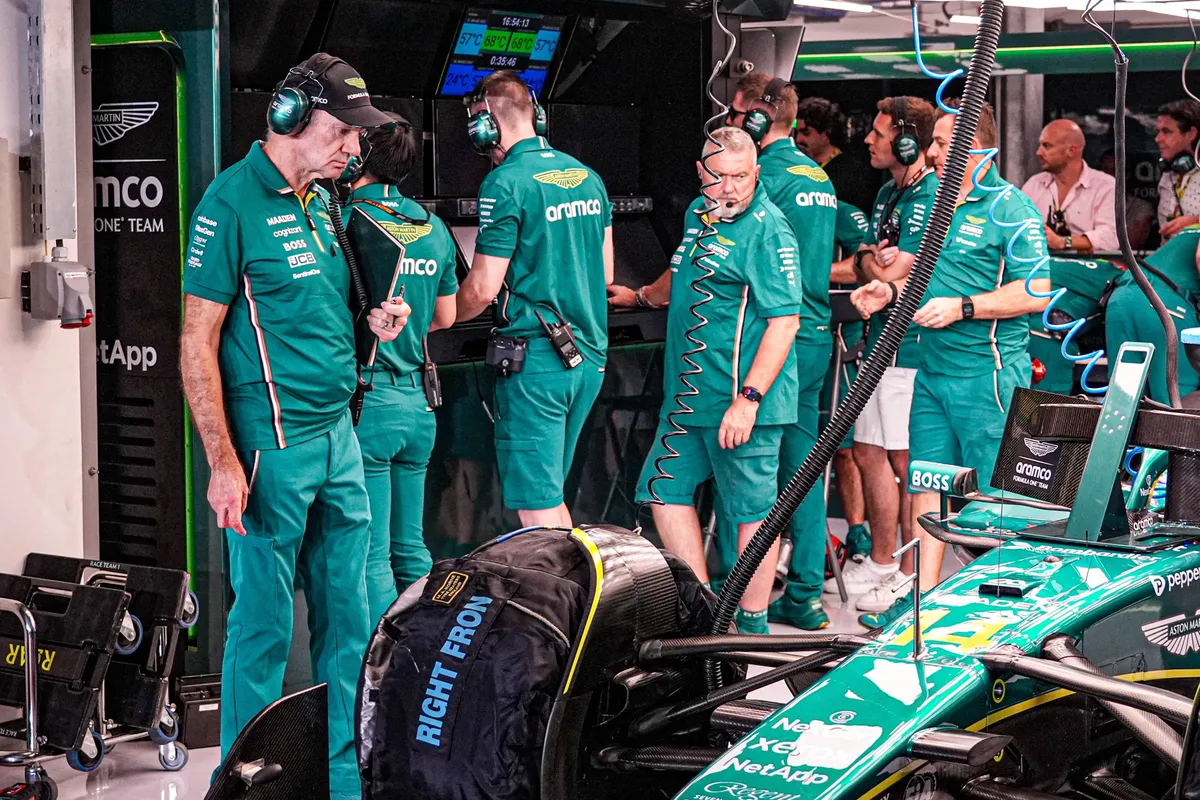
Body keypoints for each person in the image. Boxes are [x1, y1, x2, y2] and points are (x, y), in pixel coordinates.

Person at [179, 54, 406, 799]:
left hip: (339, 436)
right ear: (288, 119)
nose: (353, 148)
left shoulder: (325, 200)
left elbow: (319, 313)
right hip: (268, 449)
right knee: (264, 630)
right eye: (343, 132)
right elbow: (196, 341)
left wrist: (374, 320)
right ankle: (245, 783)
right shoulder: (230, 203)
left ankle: (347, 778)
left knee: (352, 623)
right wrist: (220, 461)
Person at [851, 99, 1050, 628]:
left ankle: (1009, 607)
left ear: (975, 148)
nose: (932, 152)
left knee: (996, 493)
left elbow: (1038, 290)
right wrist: (885, 289)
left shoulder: (1010, 208)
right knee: (924, 483)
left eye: (942, 143)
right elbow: (919, 270)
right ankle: (921, 601)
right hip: (931, 373)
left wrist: (966, 308)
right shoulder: (935, 204)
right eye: (936, 143)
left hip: (986, 376)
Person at [633, 126, 802, 634]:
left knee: (750, 515)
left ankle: (751, 626)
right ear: (701, 174)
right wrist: (644, 296)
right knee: (661, 492)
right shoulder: (697, 214)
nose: (729, 189)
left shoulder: (770, 231)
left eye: (741, 177)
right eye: (718, 177)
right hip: (687, 398)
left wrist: (749, 400)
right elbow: (682, 269)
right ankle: (706, 617)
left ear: (756, 173)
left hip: (742, 402)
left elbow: (785, 322)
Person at [455, 71, 613, 528]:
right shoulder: (589, 178)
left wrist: (440, 316)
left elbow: (483, 288)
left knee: (537, 507)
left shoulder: (505, 184)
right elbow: (603, 274)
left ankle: (569, 600)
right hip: (588, 357)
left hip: (540, 361)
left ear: (486, 124)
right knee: (550, 495)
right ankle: (579, 597)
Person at [726, 73, 839, 629]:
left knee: (752, 474)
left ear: (753, 119)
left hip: (777, 341)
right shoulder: (818, 175)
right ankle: (807, 595)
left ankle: (737, 598)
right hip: (817, 336)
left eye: (735, 111)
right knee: (805, 471)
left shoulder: (760, 179)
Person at [345, 113, 459, 622]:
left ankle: (377, 667)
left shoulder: (346, 219)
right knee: (410, 548)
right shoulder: (432, 226)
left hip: (371, 403)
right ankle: (425, 650)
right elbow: (446, 316)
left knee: (369, 553)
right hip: (420, 403)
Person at [841, 97, 939, 616]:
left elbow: (900, 272)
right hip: (879, 341)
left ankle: (908, 574)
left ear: (906, 141)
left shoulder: (929, 196)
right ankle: (883, 561)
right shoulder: (885, 194)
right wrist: (870, 263)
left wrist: (870, 265)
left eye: (878, 134)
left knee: (905, 461)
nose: (868, 141)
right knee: (867, 452)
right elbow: (875, 264)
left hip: (912, 347)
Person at [796, 96, 873, 561]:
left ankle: (858, 533)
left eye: (808, 133)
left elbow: (866, 265)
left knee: (842, 447)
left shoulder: (839, 201)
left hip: (836, 340)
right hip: (804, 341)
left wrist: (811, 271)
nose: (801, 142)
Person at [1105, 225, 1200, 404]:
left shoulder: (1191, 229)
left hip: (1122, 298)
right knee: (1176, 404)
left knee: (1122, 403)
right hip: (1163, 304)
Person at [1020, 119, 1118, 254]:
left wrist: (1063, 242)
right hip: (1041, 266)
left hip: (1089, 269)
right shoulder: (1033, 185)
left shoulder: (1105, 185)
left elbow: (1111, 237)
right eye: (1040, 145)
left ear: (1071, 150)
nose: (1039, 152)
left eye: (1047, 146)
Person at [1155, 98, 1200, 240]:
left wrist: (1197, 223)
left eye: (1166, 131)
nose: (1158, 139)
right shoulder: (1168, 175)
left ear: (1191, 134)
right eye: (1158, 131)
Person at [1099, 149, 1155, 250]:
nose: (1109, 175)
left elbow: (1130, 248)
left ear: (1127, 175)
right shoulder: (1090, 202)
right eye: (1105, 170)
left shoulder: (1142, 208)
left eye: (1115, 171)